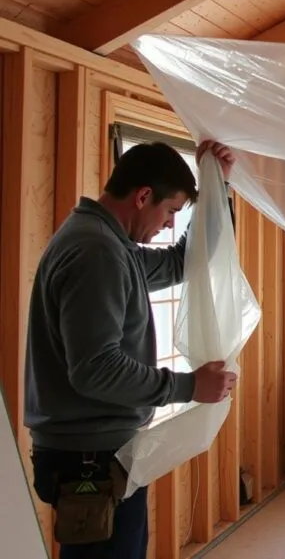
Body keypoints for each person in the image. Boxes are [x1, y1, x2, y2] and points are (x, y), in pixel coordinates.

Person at [23, 139, 240, 558]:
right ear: (143, 196)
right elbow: (96, 368)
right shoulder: (97, 252)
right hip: (89, 459)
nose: (170, 224)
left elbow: (182, 261)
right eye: (170, 211)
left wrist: (217, 187)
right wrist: (188, 386)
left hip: (94, 453)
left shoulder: (110, 245)